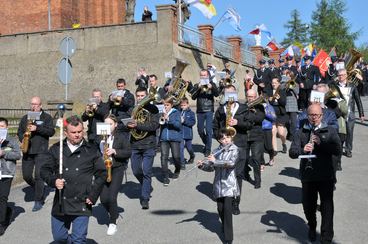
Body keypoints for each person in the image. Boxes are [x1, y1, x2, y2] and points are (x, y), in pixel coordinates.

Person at [40, 116, 106, 243]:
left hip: (82, 202)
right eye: (73, 132)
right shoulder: (56, 149)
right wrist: (53, 181)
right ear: (66, 132)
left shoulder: (91, 150)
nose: (77, 135)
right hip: (61, 201)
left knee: (79, 240)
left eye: (80, 132)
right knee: (59, 238)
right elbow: (44, 170)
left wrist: (93, 195)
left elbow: (102, 174)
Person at [289, 103, 342, 243]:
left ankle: (326, 238)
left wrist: (321, 143)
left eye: (317, 115)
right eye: (311, 115)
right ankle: (312, 226)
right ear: (307, 115)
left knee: (327, 208)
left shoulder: (329, 130)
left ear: (322, 115)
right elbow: (292, 153)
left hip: (326, 175)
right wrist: (302, 150)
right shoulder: (301, 132)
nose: (314, 118)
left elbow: (338, 150)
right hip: (308, 176)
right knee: (308, 206)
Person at [213, 85, 252, 214]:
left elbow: (250, 124)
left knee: (238, 175)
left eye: (232, 93)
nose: (229, 95)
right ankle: (224, 197)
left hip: (240, 145)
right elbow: (214, 126)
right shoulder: (221, 110)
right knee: (224, 172)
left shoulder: (243, 108)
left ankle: (236, 202)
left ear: (236, 94)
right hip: (224, 147)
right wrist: (219, 137)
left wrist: (238, 123)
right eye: (227, 93)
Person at [197, 128, 240, 244]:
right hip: (218, 185)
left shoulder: (234, 149)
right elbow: (211, 168)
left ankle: (228, 238)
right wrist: (202, 165)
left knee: (227, 210)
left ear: (231, 137)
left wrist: (215, 161)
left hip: (229, 185)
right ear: (219, 140)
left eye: (227, 137)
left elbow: (231, 164)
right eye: (223, 138)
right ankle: (225, 227)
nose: (226, 140)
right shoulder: (216, 151)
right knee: (220, 209)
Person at [17, 96, 55, 212]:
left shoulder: (46, 117)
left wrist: (37, 128)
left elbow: (51, 132)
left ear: (41, 105)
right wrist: (22, 138)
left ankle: (38, 200)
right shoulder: (25, 118)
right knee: (27, 176)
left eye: (36, 104)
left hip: (41, 151)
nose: (34, 106)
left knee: (39, 176)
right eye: (32, 104)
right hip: (28, 150)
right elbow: (19, 131)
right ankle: (39, 188)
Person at [127, 87, 159, 209]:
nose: (140, 98)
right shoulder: (132, 109)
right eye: (138, 96)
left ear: (146, 96)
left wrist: (138, 125)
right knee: (136, 171)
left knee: (146, 171)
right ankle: (147, 185)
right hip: (134, 144)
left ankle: (145, 198)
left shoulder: (153, 109)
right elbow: (125, 123)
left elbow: (154, 126)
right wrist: (128, 125)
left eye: (142, 96)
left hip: (148, 144)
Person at [98, 114, 131, 236]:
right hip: (102, 169)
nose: (108, 126)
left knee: (112, 198)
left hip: (117, 168)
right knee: (103, 199)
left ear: (115, 125)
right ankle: (114, 212)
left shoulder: (121, 137)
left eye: (110, 124)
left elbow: (128, 152)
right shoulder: (99, 137)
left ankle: (113, 222)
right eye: (106, 124)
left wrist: (115, 151)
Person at [335, 68, 365, 158]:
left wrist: (361, 114)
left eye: (342, 75)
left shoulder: (352, 86)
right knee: (340, 133)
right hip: (339, 113)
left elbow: (358, 100)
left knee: (350, 132)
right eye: (339, 75)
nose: (340, 77)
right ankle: (339, 149)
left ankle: (348, 150)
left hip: (350, 113)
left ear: (346, 76)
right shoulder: (334, 86)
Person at [189, 69, 219, 156]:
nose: (203, 77)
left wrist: (212, 87)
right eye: (201, 75)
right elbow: (193, 97)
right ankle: (206, 143)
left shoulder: (212, 84)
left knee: (209, 130)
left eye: (205, 75)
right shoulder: (197, 85)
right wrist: (198, 88)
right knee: (200, 130)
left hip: (209, 110)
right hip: (200, 110)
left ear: (208, 76)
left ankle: (208, 149)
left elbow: (217, 94)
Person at [0, 117, 22, 236]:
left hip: (6, 172)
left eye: (2, 126)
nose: (0, 128)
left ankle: (2, 223)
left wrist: (4, 153)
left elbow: (18, 155)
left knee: (2, 198)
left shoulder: (11, 140)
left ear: (6, 127)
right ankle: (7, 211)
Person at [244, 89, 266, 189]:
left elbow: (260, 119)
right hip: (244, 136)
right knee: (244, 158)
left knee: (256, 159)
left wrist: (253, 112)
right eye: (249, 96)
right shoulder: (243, 106)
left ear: (256, 97)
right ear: (246, 97)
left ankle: (257, 181)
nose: (250, 98)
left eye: (252, 96)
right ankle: (246, 174)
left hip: (256, 136)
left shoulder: (260, 107)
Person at [159, 97, 182, 185]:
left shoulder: (176, 113)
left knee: (176, 157)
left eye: (167, 105)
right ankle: (165, 177)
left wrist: (169, 119)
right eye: (164, 105)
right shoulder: (161, 113)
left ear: (171, 105)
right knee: (163, 157)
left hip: (174, 138)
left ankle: (177, 169)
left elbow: (178, 125)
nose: (165, 107)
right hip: (164, 138)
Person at [268, 78, 288, 154]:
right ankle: (275, 150)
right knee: (273, 131)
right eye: (272, 83)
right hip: (272, 112)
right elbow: (267, 101)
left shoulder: (282, 91)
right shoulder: (269, 91)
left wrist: (279, 99)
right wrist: (269, 99)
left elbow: (284, 103)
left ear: (279, 83)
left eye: (275, 83)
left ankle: (284, 143)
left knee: (281, 133)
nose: (273, 84)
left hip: (281, 113)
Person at [179, 97, 196, 168]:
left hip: (188, 133)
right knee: (181, 148)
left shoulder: (191, 113)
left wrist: (184, 121)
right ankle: (182, 163)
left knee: (189, 148)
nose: (183, 107)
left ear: (188, 105)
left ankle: (192, 155)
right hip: (180, 133)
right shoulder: (178, 112)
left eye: (184, 105)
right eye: (181, 105)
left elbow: (193, 122)